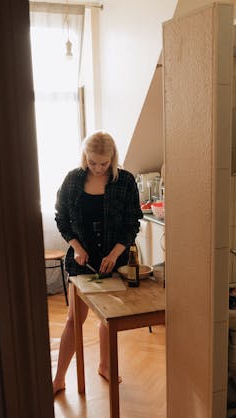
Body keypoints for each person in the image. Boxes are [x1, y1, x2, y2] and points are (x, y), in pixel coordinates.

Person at [52, 131, 143, 397]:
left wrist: (115, 254)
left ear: (112, 158)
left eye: (104, 163)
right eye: (93, 162)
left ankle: (105, 365)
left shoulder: (124, 181)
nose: (99, 168)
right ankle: (58, 378)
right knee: (74, 320)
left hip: (114, 262)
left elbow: (132, 224)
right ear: (85, 157)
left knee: (108, 318)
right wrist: (77, 248)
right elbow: (62, 219)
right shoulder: (72, 180)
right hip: (82, 262)